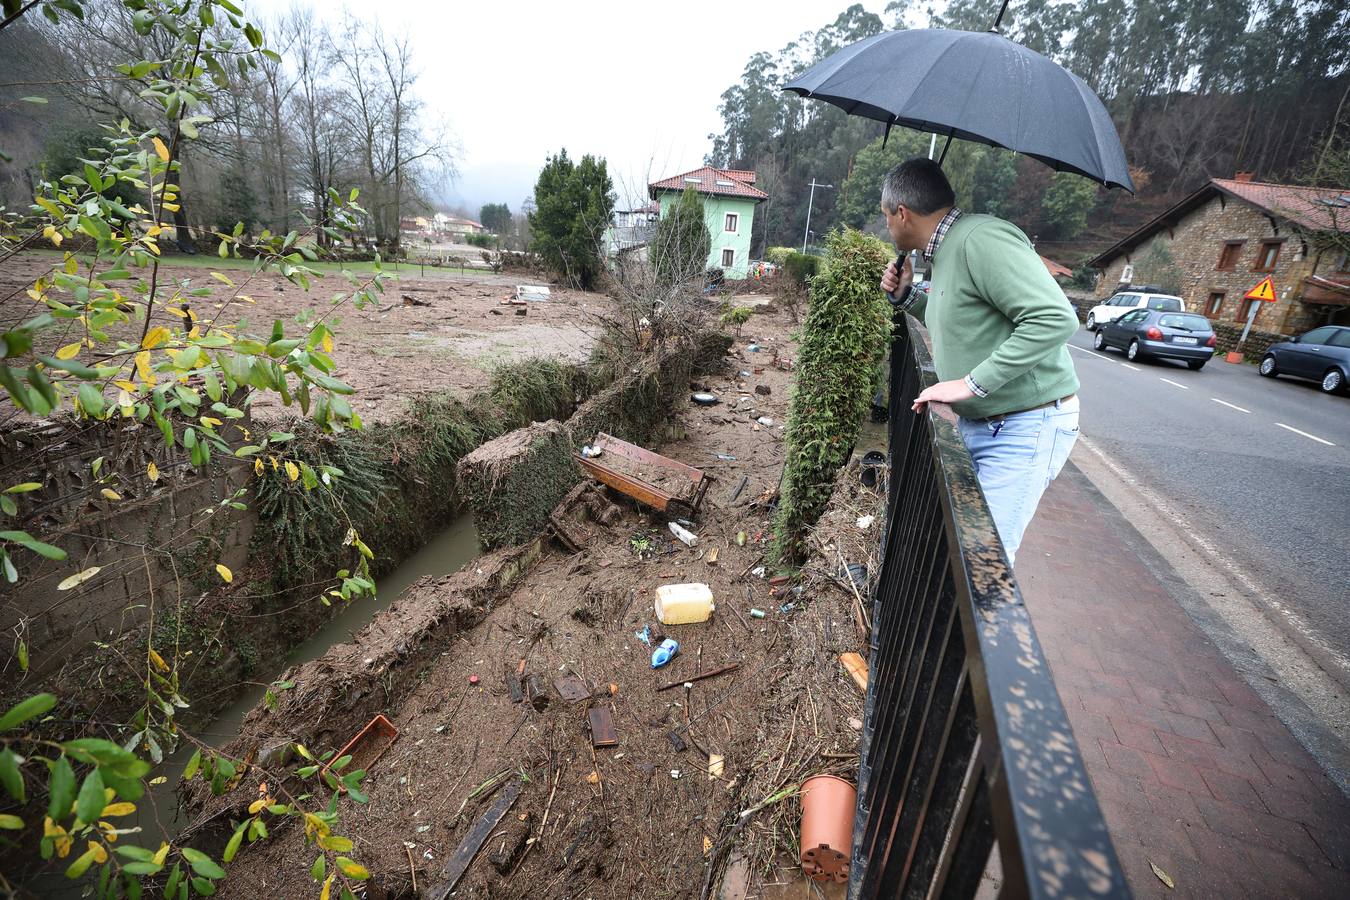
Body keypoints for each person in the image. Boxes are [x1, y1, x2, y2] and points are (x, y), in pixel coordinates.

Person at [877, 158, 1080, 565]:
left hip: (1024, 426)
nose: (887, 226)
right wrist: (907, 297)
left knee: (982, 563)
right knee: (961, 553)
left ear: (902, 213)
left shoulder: (981, 240)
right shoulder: (948, 249)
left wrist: (970, 384)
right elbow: (964, 319)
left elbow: (1055, 318)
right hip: (987, 424)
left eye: (885, 216)